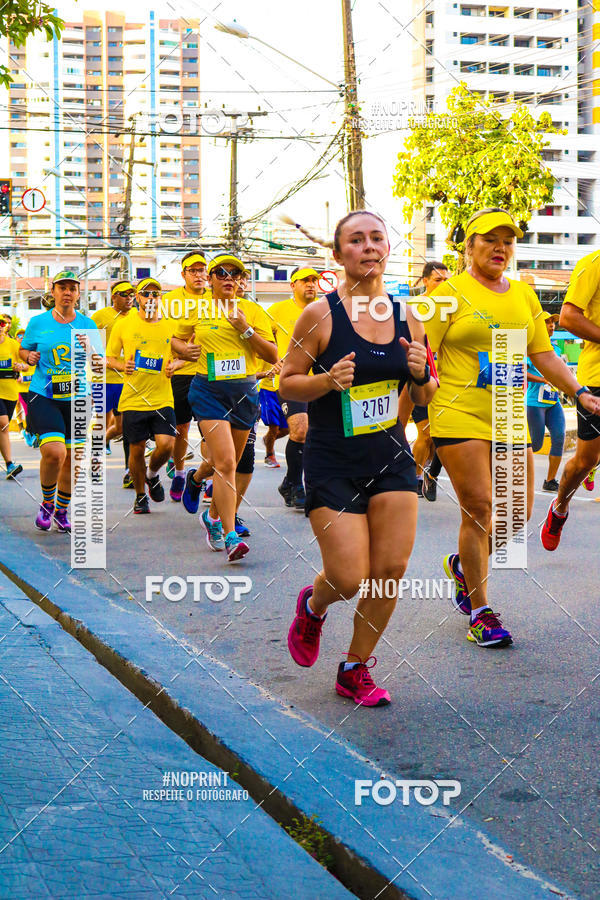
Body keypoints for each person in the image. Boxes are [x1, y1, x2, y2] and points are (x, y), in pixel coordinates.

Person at [280, 211, 436, 707]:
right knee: (348, 577)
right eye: (356, 240)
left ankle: (355, 668)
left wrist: (420, 376)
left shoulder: (411, 316)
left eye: (376, 238)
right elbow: (287, 381)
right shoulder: (320, 316)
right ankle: (314, 603)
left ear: (388, 248)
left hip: (391, 458)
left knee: (389, 568)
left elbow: (427, 393)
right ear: (338, 253)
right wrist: (326, 382)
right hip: (332, 461)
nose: (368, 247)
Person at [424, 209, 600, 645]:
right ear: (469, 246)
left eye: (507, 241)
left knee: (516, 512)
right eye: (490, 239)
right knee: (480, 506)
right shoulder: (447, 294)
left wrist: (578, 391)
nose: (500, 247)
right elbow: (420, 353)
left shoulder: (523, 295)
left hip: (507, 411)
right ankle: (481, 611)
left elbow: (543, 355)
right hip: (458, 410)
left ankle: (465, 567)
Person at [174, 254, 277, 561]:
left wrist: (246, 329)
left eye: (235, 273)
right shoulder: (196, 308)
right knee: (227, 463)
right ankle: (231, 536)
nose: (229, 277)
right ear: (211, 278)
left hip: (244, 391)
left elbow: (272, 354)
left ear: (242, 279)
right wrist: (185, 349)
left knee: (224, 464)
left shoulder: (254, 310)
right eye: (221, 272)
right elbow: (176, 341)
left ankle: (209, 509)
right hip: (208, 391)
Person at [19, 271, 101, 531]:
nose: (67, 292)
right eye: (62, 287)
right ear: (52, 292)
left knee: (74, 458)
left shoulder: (88, 324)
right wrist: (28, 356)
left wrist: (90, 350)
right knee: (55, 453)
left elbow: (99, 362)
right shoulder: (37, 322)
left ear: (78, 294)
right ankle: (47, 503)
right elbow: (24, 348)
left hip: (77, 397)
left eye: (72, 288)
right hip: (44, 395)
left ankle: (62, 509)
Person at [106, 277, 181, 514]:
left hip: (162, 397)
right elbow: (108, 357)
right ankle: (140, 495)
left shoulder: (171, 325)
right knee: (136, 449)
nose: (150, 298)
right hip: (133, 398)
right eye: (145, 294)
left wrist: (175, 365)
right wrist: (122, 367)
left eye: (155, 294)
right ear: (137, 298)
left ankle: (152, 474)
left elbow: (187, 353)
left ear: (160, 298)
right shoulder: (124, 325)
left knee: (167, 445)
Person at [541, 249, 600, 548]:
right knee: (587, 460)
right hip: (597, 380)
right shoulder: (593, 263)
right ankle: (560, 507)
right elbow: (568, 317)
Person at [260, 267, 319, 509]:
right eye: (305, 280)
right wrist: (271, 361)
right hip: (290, 380)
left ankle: (292, 482)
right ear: (292, 285)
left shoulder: (326, 310)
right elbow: (262, 343)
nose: (311, 284)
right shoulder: (276, 311)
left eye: (314, 280)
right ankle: (297, 486)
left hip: (320, 381)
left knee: (316, 436)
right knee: (300, 430)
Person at [162, 252, 210, 502]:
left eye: (203, 270)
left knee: (210, 428)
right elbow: (165, 335)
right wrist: (182, 351)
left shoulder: (217, 299)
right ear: (183, 274)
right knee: (181, 427)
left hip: (210, 371)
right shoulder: (170, 301)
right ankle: (180, 472)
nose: (199, 275)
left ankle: (210, 479)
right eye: (194, 270)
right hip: (180, 373)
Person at [400, 261, 449, 500]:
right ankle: (415, 478)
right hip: (420, 378)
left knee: (438, 438)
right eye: (438, 280)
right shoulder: (415, 308)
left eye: (447, 281)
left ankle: (426, 473)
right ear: (425, 281)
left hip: (448, 382)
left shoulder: (454, 308)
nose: (443, 285)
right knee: (426, 433)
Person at [92, 280, 136, 488]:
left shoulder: (137, 317)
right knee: (102, 423)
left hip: (126, 380)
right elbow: (87, 348)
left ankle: (129, 470)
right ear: (113, 296)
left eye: (131, 294)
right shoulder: (100, 317)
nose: (129, 298)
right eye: (124, 294)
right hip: (102, 379)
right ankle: (96, 465)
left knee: (123, 427)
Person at [526, 312, 565, 492]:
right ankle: (511, 471)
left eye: (552, 322)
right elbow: (521, 372)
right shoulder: (531, 348)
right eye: (547, 323)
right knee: (536, 443)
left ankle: (550, 480)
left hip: (553, 401)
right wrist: (542, 379)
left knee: (559, 437)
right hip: (535, 402)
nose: (551, 325)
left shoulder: (555, 348)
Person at [0, 314, 26, 479]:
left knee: (3, 428)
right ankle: (9, 463)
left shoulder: (13, 345)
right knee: (3, 423)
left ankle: (9, 465)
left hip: (9, 391)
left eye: (2, 323)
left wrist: (20, 367)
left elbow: (26, 364)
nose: (0, 326)